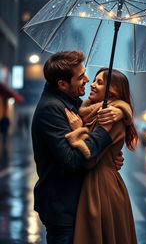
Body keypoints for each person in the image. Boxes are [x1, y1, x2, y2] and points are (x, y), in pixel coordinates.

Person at [31, 51, 126, 244]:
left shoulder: (70, 104)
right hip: (63, 207)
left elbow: (85, 144)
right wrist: (104, 132)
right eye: (81, 77)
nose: (87, 79)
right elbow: (72, 160)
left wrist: (108, 157)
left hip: (75, 203)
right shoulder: (52, 109)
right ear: (62, 84)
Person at [65, 68, 138, 244]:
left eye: (99, 82)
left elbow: (90, 160)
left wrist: (77, 129)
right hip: (98, 182)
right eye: (95, 80)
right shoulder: (94, 112)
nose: (92, 84)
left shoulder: (110, 117)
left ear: (112, 90)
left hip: (100, 187)